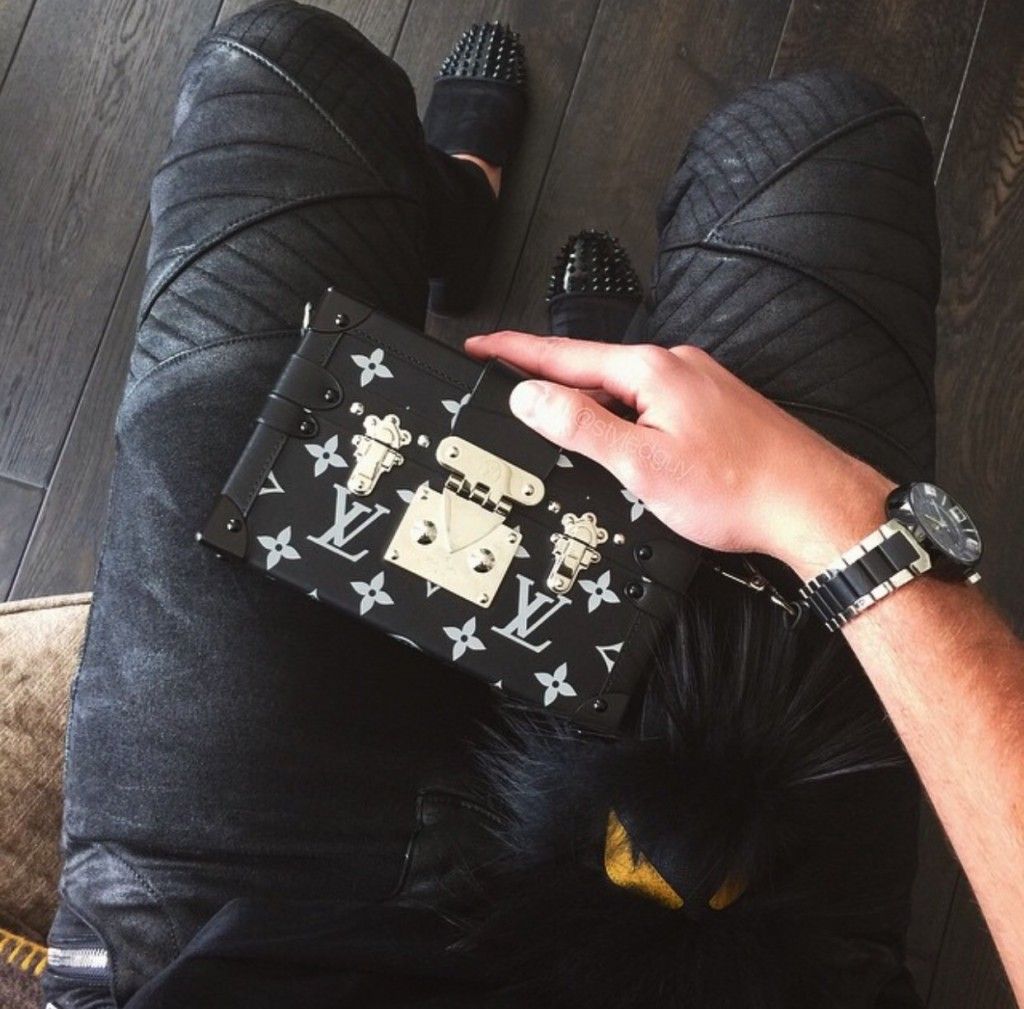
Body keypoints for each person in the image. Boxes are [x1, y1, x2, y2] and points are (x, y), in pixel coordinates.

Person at [40, 2, 1023, 1007]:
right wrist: (831, 514)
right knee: (824, 146)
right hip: (746, 940)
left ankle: (460, 210)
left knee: (275, 70)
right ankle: (603, 366)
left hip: (215, 932)